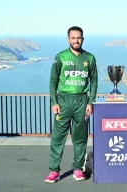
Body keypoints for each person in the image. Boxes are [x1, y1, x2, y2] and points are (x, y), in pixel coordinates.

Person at [44, 26, 98, 183]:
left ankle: (77, 168)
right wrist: (54, 101)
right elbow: (53, 81)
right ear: (68, 39)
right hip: (64, 101)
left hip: (82, 101)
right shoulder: (60, 57)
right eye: (73, 38)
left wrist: (90, 101)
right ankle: (54, 171)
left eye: (79, 38)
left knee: (80, 138)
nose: (76, 40)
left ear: (83, 39)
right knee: (58, 137)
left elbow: (93, 81)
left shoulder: (89, 58)